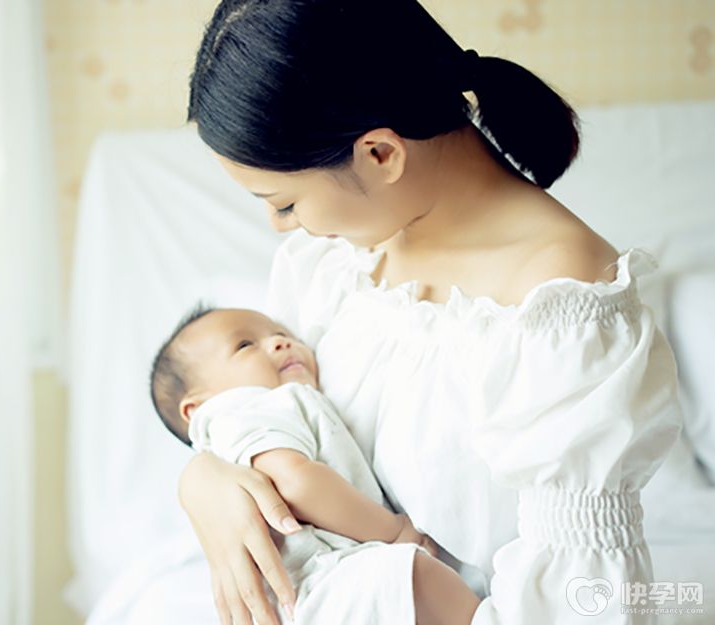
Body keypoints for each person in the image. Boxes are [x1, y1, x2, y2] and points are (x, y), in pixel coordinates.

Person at [178, 1, 684, 624]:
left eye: (284, 202)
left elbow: (582, 600)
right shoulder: (336, 264)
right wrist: (201, 481)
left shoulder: (562, 311)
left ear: (380, 155)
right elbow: (268, 416)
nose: (281, 225)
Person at [150, 305, 475, 624]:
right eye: (245, 345)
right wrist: (394, 530)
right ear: (196, 407)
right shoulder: (248, 409)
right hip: (327, 579)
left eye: (282, 333)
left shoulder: (227, 446)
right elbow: (295, 484)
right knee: (422, 582)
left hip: (300, 602)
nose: (280, 342)